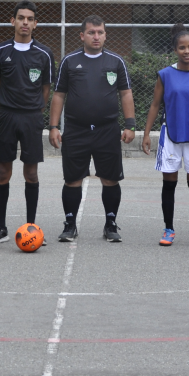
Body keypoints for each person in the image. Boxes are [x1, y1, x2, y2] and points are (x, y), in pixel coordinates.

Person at [50, 16, 136, 243]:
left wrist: (130, 124)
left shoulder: (116, 62)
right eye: (91, 33)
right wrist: (53, 126)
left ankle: (110, 224)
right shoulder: (69, 61)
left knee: (110, 179)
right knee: (72, 180)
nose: (96, 37)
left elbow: (126, 93)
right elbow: (59, 95)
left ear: (105, 34)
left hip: (107, 130)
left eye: (100, 32)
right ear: (82, 35)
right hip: (76, 131)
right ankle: (70, 225)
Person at [0, 1, 54, 242]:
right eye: (21, 18)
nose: (25, 22)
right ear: (13, 21)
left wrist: (34, 109)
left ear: (35, 24)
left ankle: (31, 226)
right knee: (4, 171)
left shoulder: (45, 53)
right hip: (6, 116)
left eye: (29, 19)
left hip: (31, 117)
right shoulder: (0, 51)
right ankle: (1, 226)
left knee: (31, 173)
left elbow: (46, 90)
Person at [141, 24, 189, 248]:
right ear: (175, 50)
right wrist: (146, 134)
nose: (187, 51)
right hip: (171, 135)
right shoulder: (165, 75)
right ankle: (169, 229)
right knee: (169, 184)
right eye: (182, 47)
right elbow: (154, 105)